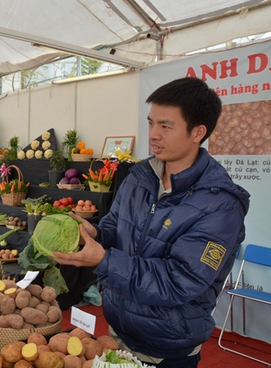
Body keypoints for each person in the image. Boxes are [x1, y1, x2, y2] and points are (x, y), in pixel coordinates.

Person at [53, 77, 250, 367]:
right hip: (119, 332)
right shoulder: (140, 176)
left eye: (165, 126)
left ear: (198, 132)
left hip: (167, 348)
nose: (153, 135)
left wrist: (104, 260)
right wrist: (94, 233)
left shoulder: (220, 205)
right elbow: (115, 227)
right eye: (151, 123)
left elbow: (179, 281)